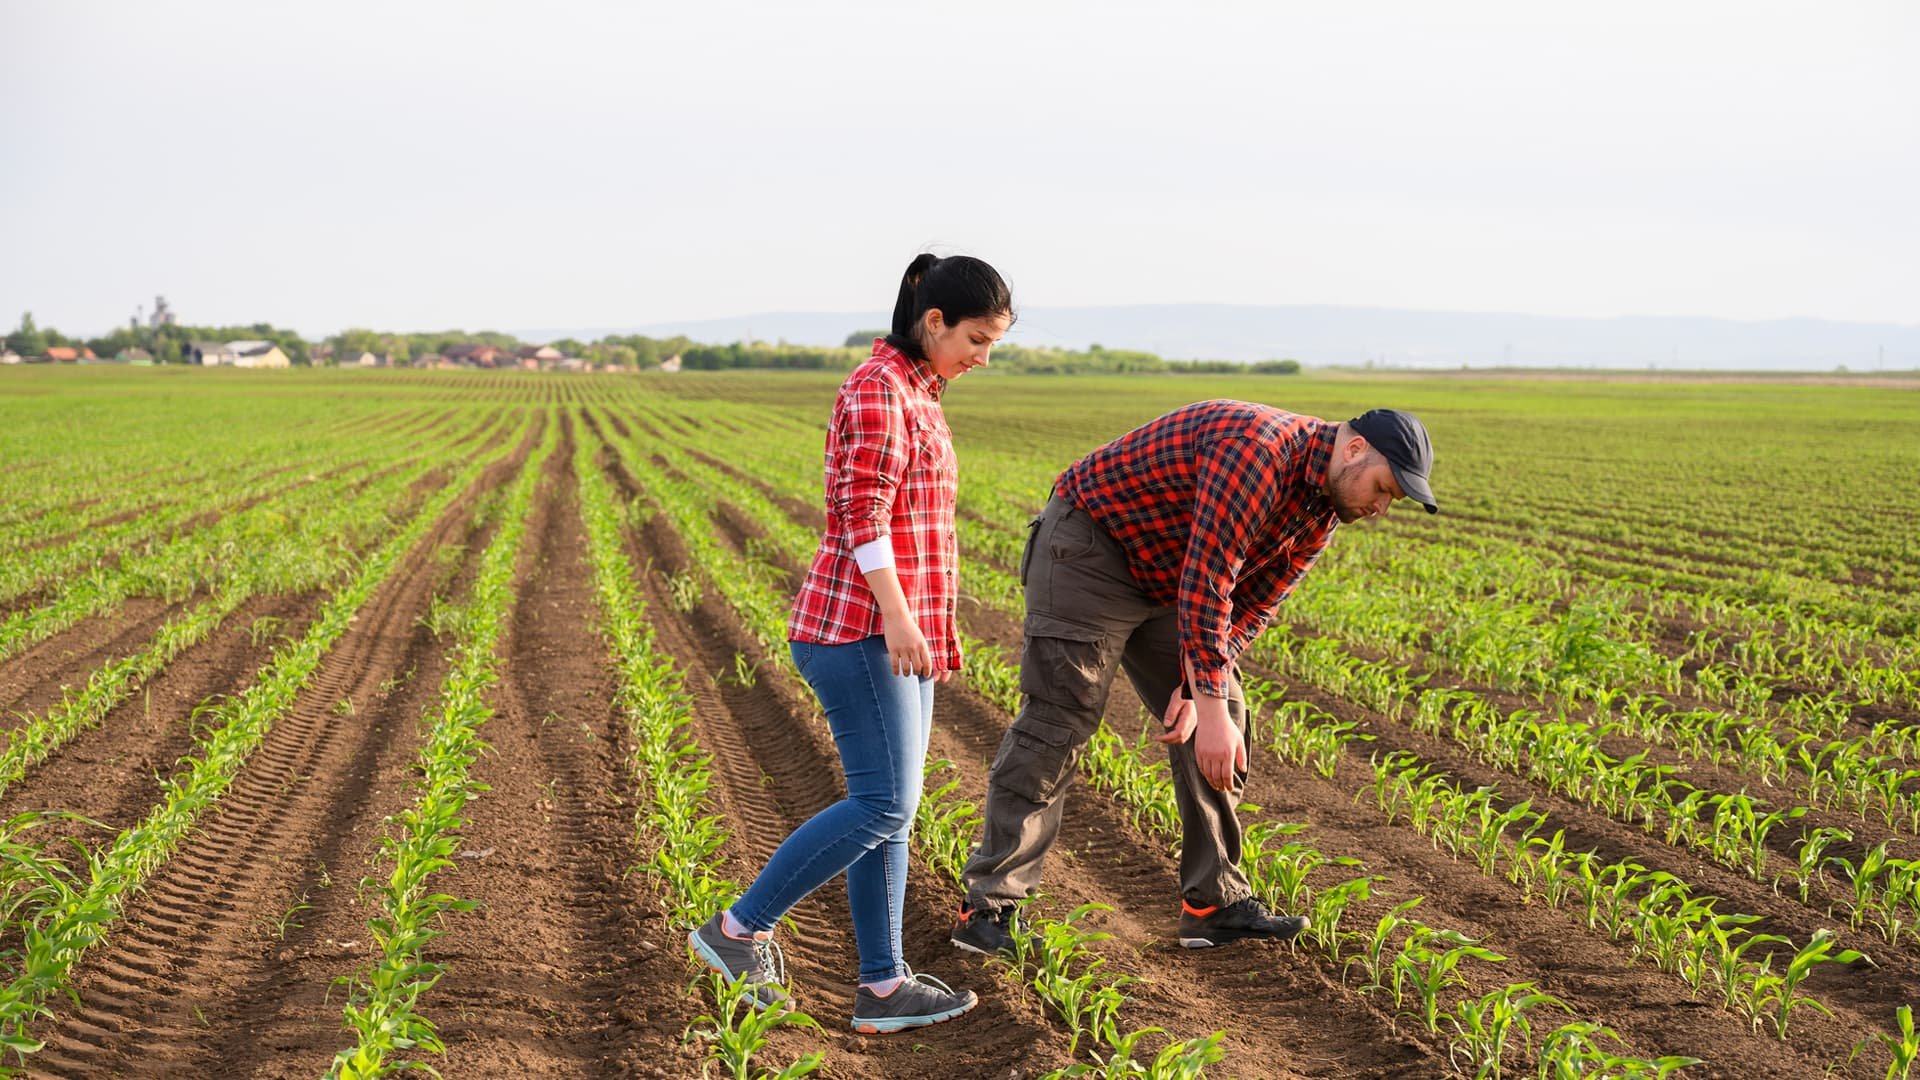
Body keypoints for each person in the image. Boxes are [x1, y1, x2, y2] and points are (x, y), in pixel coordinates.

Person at [951, 402, 1437, 954]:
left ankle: (1214, 902)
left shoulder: (1323, 511)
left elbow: (1254, 603)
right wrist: (1200, 701)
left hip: (1170, 577)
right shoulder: (1259, 450)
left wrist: (1196, 689)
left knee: (1224, 707)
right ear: (1354, 450)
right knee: (1060, 717)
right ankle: (989, 907)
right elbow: (1210, 580)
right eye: (1384, 488)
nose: (1380, 507)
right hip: (1091, 551)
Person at [689, 253, 1014, 1033]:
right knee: (883, 802)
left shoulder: (919, 390)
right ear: (932, 322)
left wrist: (921, 624)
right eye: (975, 338)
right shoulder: (877, 390)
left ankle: (882, 986)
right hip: (861, 629)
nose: (982, 357)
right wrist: (901, 617)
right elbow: (861, 514)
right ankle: (738, 930)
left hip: (899, 632)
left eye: (993, 343)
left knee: (893, 815)